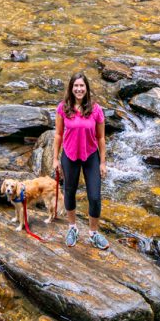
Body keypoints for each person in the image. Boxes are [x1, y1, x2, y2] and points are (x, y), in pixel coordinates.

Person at [53, 71, 108, 249]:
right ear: (71, 88)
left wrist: (103, 162)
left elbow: (101, 138)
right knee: (69, 192)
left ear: (86, 88)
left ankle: (93, 233)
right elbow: (58, 134)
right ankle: (72, 228)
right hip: (69, 155)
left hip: (91, 155)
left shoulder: (96, 109)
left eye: (81, 86)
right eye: (75, 86)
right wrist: (55, 159)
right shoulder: (63, 108)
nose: (78, 89)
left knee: (94, 196)